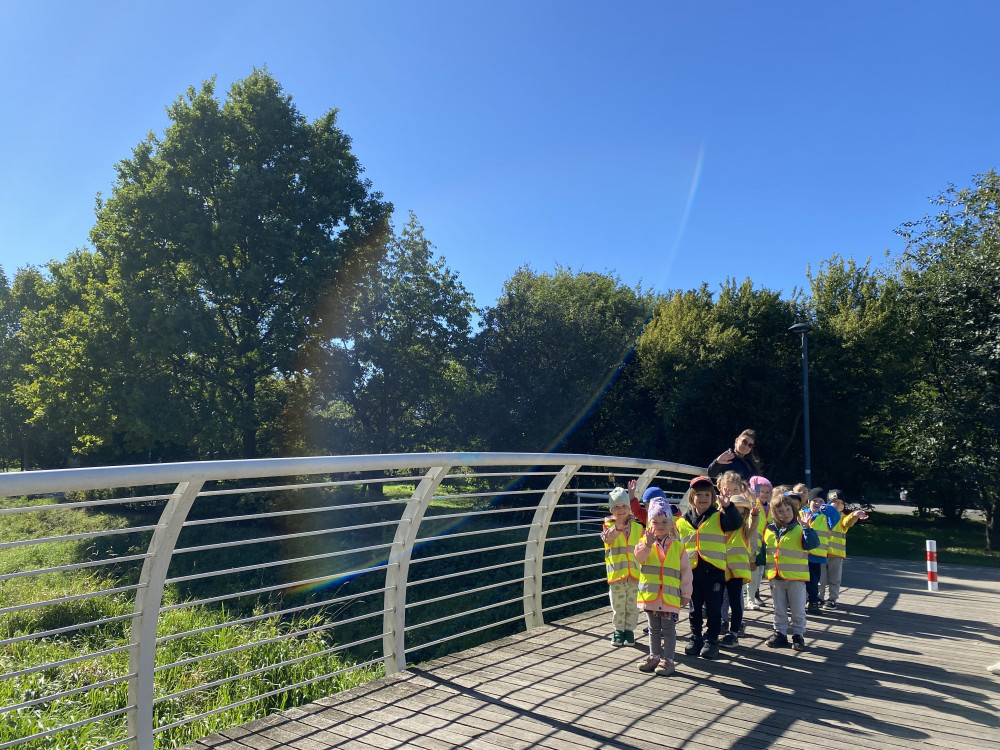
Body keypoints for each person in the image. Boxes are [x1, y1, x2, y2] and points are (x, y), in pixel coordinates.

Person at [675, 475, 744, 659]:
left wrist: (728, 506)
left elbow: (736, 523)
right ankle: (696, 637)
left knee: (714, 608)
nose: (703, 498)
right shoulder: (681, 521)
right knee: (694, 608)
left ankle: (711, 639)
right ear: (692, 497)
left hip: (713, 571)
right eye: (699, 494)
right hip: (691, 572)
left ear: (713, 497)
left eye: (707, 494)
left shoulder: (719, 517)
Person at [634, 498, 693, 675]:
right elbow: (639, 558)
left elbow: (686, 572)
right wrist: (647, 544)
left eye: (664, 521)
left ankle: (668, 660)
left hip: (669, 596)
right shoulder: (644, 542)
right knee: (653, 629)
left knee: (668, 630)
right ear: (649, 523)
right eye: (655, 522)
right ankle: (654, 656)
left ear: (671, 523)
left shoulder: (678, 546)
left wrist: (686, 594)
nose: (660, 526)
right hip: (651, 595)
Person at [762, 491, 819, 650]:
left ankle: (798, 635)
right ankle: (780, 633)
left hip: (796, 577)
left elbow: (812, 544)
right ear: (774, 513)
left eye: (788, 509)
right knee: (778, 608)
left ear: (794, 510)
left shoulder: (800, 528)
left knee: (797, 609)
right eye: (780, 511)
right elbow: (765, 550)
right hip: (776, 576)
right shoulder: (769, 530)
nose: (785, 513)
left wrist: (807, 528)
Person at [717, 472, 758, 647]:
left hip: (737, 570)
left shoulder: (743, 529)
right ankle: (721, 623)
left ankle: (734, 631)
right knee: (719, 599)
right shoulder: (719, 523)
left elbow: (752, 528)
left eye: (742, 513)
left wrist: (754, 516)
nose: (737, 517)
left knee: (735, 600)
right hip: (720, 567)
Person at [600, 487, 643, 646]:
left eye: (624, 506)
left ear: (629, 508)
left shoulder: (638, 528)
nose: (621, 509)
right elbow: (607, 539)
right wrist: (617, 528)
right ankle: (618, 630)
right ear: (611, 510)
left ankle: (629, 631)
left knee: (632, 605)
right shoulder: (608, 526)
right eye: (616, 506)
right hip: (617, 575)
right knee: (618, 605)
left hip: (634, 575)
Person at [820, 489, 868, 608]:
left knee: (834, 578)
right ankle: (818, 598)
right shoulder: (821, 517)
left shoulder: (842, 518)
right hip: (820, 553)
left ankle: (832, 599)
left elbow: (848, 522)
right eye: (835, 501)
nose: (838, 504)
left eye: (841, 503)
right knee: (820, 579)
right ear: (828, 503)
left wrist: (854, 515)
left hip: (836, 554)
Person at [800, 488, 840, 615]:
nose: (817, 503)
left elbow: (836, 516)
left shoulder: (826, 518)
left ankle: (813, 602)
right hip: (800, 554)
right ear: (809, 501)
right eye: (815, 500)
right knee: (799, 580)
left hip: (816, 556)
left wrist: (827, 508)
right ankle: (798, 602)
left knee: (813, 581)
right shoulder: (801, 513)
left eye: (821, 501)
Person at [744, 476, 773, 610]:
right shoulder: (753, 503)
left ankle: (754, 595)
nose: (765, 494)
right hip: (752, 541)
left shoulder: (770, 506)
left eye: (768, 492)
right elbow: (749, 500)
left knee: (760, 572)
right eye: (761, 491)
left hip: (764, 543)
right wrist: (753, 491)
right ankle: (750, 599)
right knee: (752, 571)